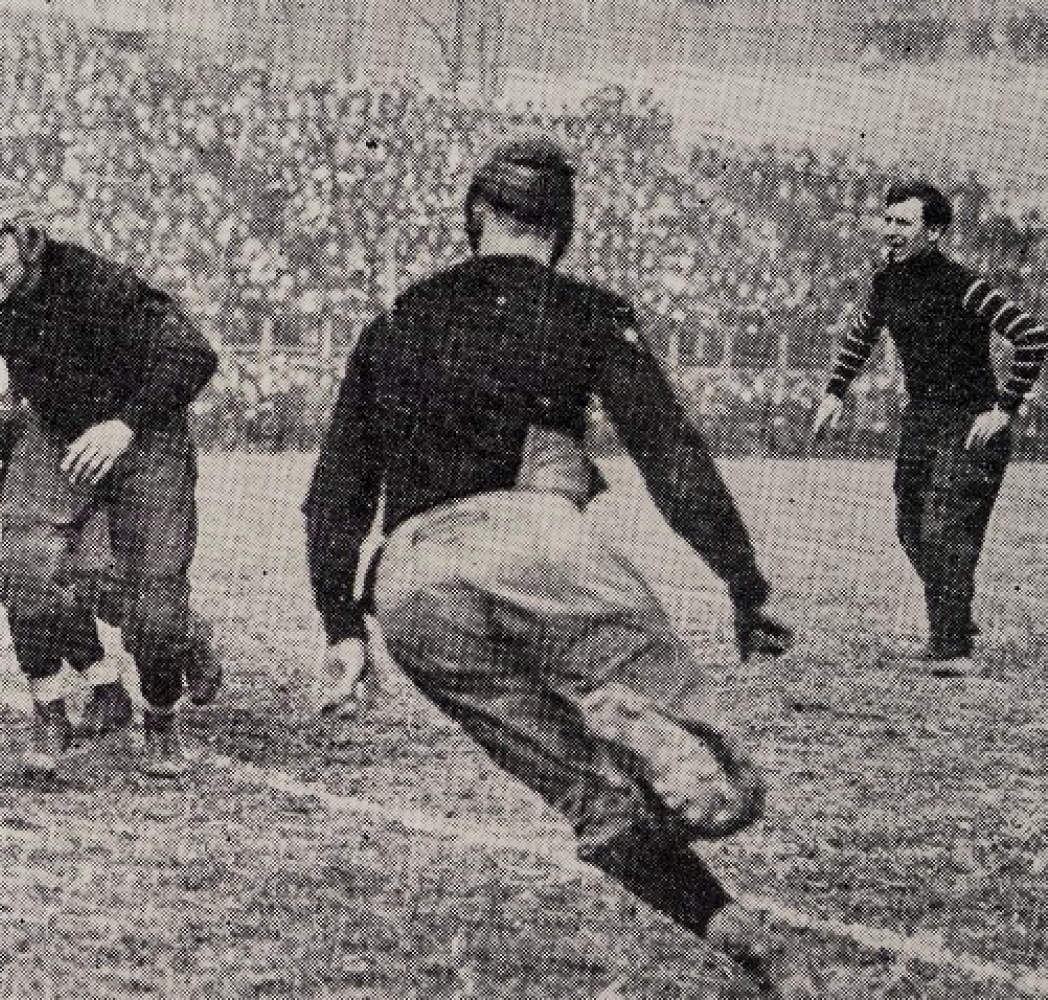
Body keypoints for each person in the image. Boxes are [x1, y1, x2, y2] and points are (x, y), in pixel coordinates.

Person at [303, 135, 821, 995]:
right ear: (565, 229)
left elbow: (334, 496)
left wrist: (340, 627)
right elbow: (671, 457)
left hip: (410, 585)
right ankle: (655, 726)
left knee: (587, 797)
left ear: (473, 217)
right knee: (724, 783)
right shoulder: (584, 310)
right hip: (535, 540)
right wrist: (744, 583)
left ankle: (738, 933)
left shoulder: (392, 320)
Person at [0, 177, 219, 781]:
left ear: (26, 240)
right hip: (55, 428)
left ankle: (165, 709)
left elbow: (196, 353)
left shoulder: (89, 281)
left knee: (152, 609)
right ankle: (50, 712)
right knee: (29, 572)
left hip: (142, 430)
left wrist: (125, 423)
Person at [810, 179, 1048, 676]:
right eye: (888, 220)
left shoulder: (965, 284)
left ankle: (951, 646)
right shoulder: (885, 281)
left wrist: (1004, 407)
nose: (891, 231)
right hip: (921, 418)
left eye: (904, 223)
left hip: (971, 422)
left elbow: (1032, 335)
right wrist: (835, 391)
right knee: (910, 525)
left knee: (944, 528)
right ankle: (954, 616)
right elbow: (862, 335)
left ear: (934, 232)